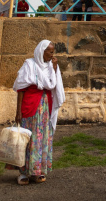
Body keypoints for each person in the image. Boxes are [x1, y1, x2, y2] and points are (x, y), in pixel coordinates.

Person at [12, 39, 66, 185]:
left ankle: (36, 171)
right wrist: (18, 112)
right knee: (27, 139)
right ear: (42, 51)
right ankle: (23, 172)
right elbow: (21, 88)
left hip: (45, 109)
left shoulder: (51, 66)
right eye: (50, 52)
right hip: (30, 107)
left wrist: (54, 68)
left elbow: (53, 84)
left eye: (52, 52)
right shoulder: (29, 65)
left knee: (41, 139)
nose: (52, 54)